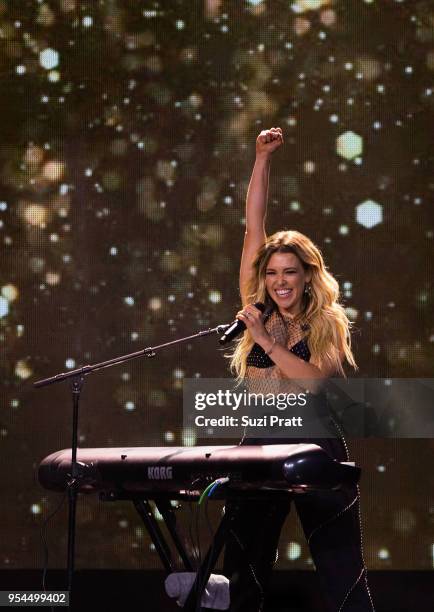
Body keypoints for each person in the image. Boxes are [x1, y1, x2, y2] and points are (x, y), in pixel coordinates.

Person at [222, 128, 375, 611]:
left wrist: (267, 342)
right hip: (261, 440)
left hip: (315, 440)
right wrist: (261, 158)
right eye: (271, 272)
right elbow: (254, 227)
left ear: (306, 275)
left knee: (340, 566)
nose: (279, 281)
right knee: (242, 565)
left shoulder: (327, 320)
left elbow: (313, 380)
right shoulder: (257, 308)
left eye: (289, 271)